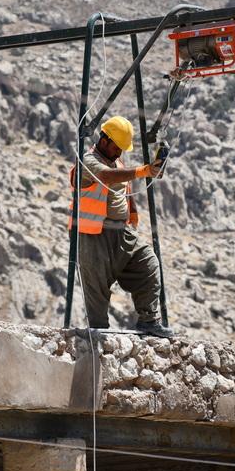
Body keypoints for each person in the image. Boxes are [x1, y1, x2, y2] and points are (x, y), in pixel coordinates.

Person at [68, 115, 174, 338]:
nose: (120, 153)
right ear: (104, 140)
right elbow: (105, 177)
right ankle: (98, 339)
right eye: (117, 147)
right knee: (97, 291)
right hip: (94, 235)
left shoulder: (117, 164)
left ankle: (149, 320)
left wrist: (132, 214)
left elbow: (124, 190)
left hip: (121, 234)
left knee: (148, 264)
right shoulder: (88, 161)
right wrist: (144, 171)